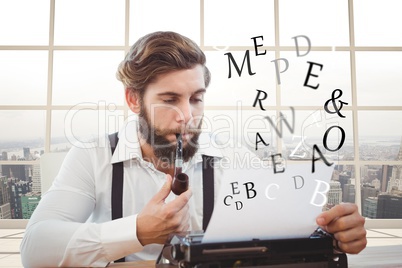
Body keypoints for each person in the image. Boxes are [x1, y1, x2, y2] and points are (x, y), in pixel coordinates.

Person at [20, 31, 367, 267]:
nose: (187, 116)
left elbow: (279, 236)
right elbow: (35, 247)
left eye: (196, 99)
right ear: (133, 100)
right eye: (170, 100)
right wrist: (136, 232)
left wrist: (333, 235)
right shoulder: (92, 156)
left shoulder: (235, 159)